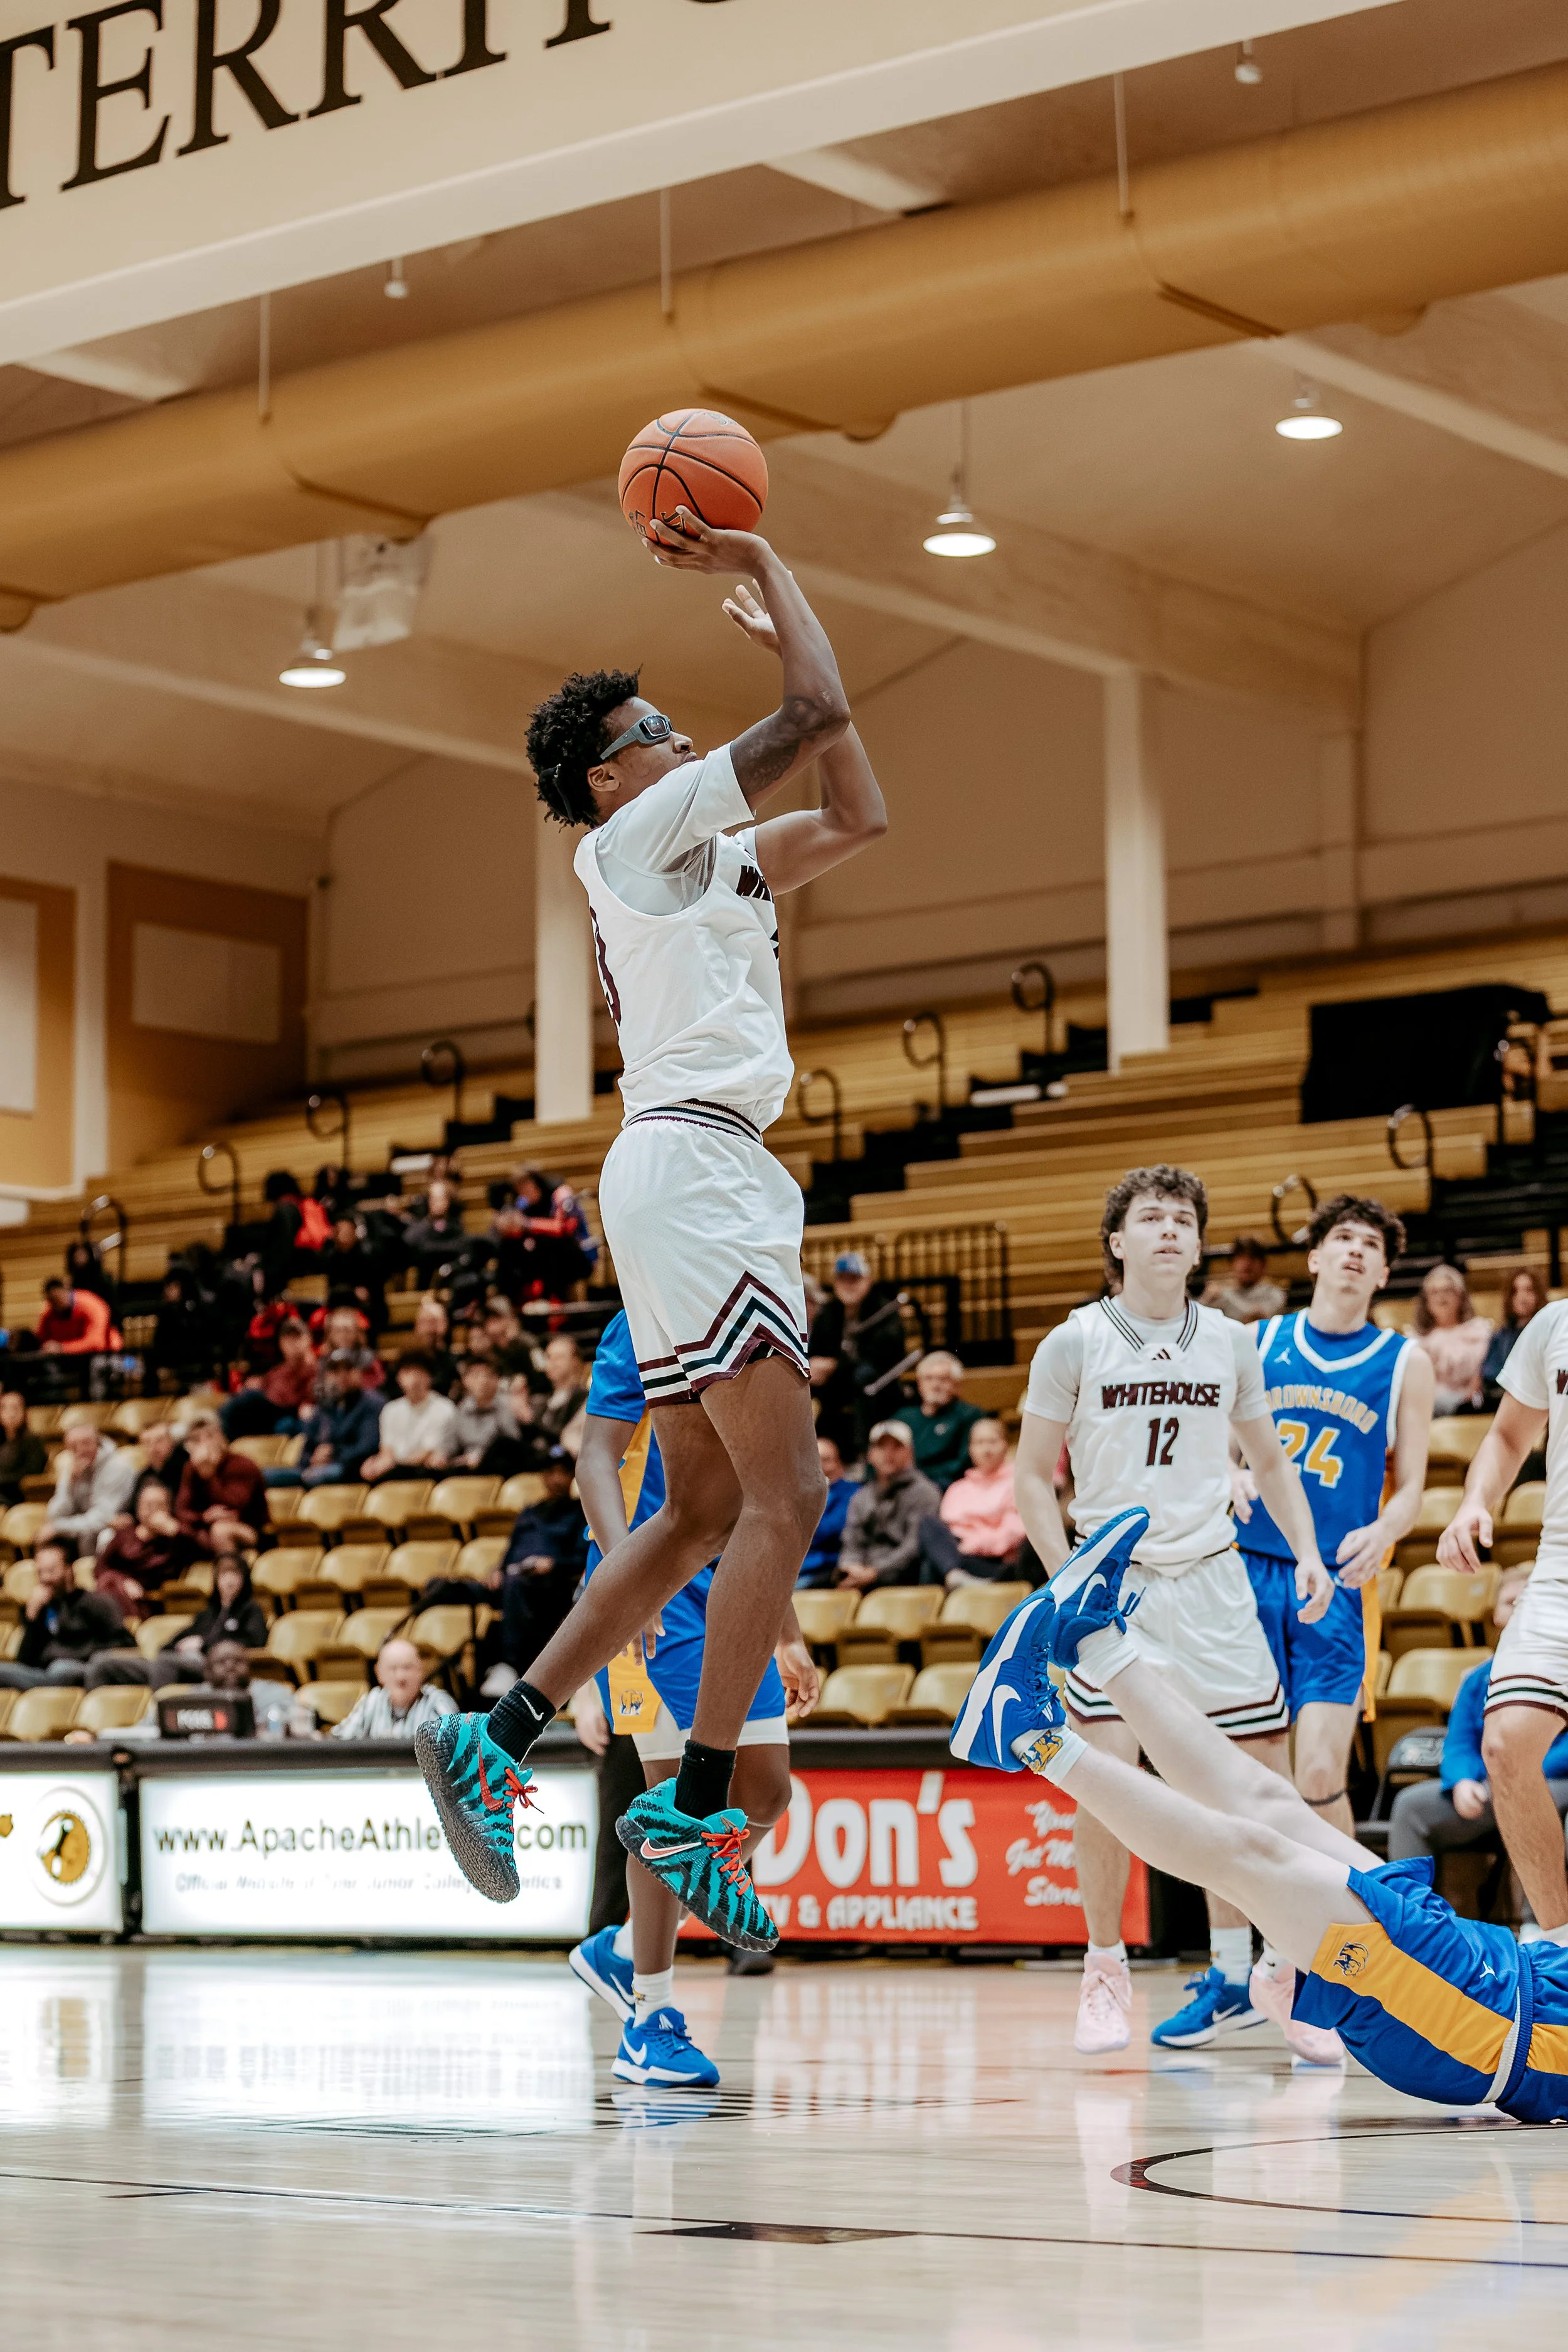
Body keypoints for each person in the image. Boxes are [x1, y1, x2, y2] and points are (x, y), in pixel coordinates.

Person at [416, 522, 885, 1951]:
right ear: (604, 778)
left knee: (694, 1510)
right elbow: (806, 720)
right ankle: (688, 1799)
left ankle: (495, 1741)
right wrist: (767, 557)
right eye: (654, 730)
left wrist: (804, 656)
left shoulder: (714, 863)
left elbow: (856, 804)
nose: (679, 737)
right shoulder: (631, 837)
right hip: (698, 1167)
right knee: (782, 1500)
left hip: (693, 1169)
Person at [953, 1510, 1568, 2127]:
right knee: (1268, 1803)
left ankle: (1030, 1739)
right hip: (1487, 1974)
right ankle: (1095, 1643)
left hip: (1482, 2021)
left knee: (1246, 1854)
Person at [1012, 1165, 1332, 2058]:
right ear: (1117, 1242)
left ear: (1198, 1244)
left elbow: (1269, 1462)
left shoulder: (1230, 1340)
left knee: (1256, 1781)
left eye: (1182, 1220)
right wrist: (1064, 1575)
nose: (1167, 1231)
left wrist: (1305, 1550)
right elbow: (1032, 1477)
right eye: (1150, 1218)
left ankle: (1269, 1968)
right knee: (1108, 1778)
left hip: (1216, 1581)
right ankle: (1105, 1965)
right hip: (1116, 1584)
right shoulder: (1074, 1342)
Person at [563, 1308, 818, 2084]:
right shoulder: (637, 1322)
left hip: (732, 1585)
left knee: (767, 1792)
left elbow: (761, 1501)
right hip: (655, 1586)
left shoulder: (750, 1327)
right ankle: (651, 2015)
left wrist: (788, 1629)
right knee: (672, 1797)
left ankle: (619, 1945)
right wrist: (624, 1580)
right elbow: (594, 1463)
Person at [1233, 1197, 1434, 1846]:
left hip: (1337, 1584)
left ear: (1382, 1274)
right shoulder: (1258, 1340)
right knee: (1245, 1778)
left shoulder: (1404, 1361)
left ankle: (1344, 1933)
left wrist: (1386, 1531)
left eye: (1370, 1246)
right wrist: (1228, 1472)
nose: (1355, 1250)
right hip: (1247, 1569)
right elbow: (1217, 1443)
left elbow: (1410, 1494)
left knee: (1319, 1771)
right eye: (1343, 1238)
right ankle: (1261, 1949)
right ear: (1315, 1258)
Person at [1438, 1288, 1568, 1947]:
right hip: (1561, 1564)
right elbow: (1509, 1435)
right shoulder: (1554, 1323)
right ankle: (1559, 1945)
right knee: (1504, 1744)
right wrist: (1473, 1503)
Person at [1387, 1573, 1568, 1877]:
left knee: (1535, 1797)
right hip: (1489, 1789)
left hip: (1554, 1785)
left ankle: (1536, 1924)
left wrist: (1522, 1776)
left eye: (1529, 1603)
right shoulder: (1477, 1678)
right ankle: (1409, 1916)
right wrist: (1462, 1781)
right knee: (1410, 1806)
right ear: (1496, 1614)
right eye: (1511, 1603)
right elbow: (1459, 1743)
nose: (1520, 1610)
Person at [85, 1557, 268, 1689]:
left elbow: (253, 1642)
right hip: (175, 1663)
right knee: (103, 1662)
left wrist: (204, 1644)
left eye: (234, 1575)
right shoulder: (207, 1613)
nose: (228, 1581)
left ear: (243, 1579)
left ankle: (154, 1720)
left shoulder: (251, 1611)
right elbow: (182, 1636)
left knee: (165, 1664)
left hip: (213, 1667)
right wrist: (168, 1648)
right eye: (223, 1575)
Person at [494, 1447, 590, 1671]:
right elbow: (509, 1552)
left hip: (549, 1585)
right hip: (513, 1576)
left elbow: (583, 1559)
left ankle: (509, 1666)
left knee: (515, 1587)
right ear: (543, 1476)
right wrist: (497, 1570)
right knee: (443, 1587)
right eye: (551, 1472)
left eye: (563, 1472)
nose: (557, 1479)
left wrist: (553, 1565)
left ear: (572, 1476)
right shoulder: (529, 1512)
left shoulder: (580, 1512)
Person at [807, 1253, 908, 1457]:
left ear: (868, 1281)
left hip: (878, 1385)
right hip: (835, 1384)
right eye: (842, 1279)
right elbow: (816, 1350)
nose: (848, 1285)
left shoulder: (884, 1309)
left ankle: (864, 1452)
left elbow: (880, 1356)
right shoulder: (829, 1312)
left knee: (863, 1376)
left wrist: (835, 1365)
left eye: (855, 1279)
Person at [0, 1541, 132, 1687]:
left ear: (69, 1570)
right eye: (40, 1573)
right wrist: (32, 1619)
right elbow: (25, 1661)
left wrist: (73, 1653)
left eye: (51, 1571)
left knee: (61, 1669)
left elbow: (125, 1643)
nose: (45, 1578)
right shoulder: (42, 1608)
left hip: (81, 1669)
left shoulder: (97, 1603)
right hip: (43, 1673)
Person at [918, 1417, 1029, 1586]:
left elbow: (1015, 1531)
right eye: (979, 1443)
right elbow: (948, 1532)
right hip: (958, 1556)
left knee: (932, 1567)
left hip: (995, 1560)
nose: (986, 1449)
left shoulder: (1019, 1483)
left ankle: (955, 1577)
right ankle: (955, 1576)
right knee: (928, 1524)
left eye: (992, 1442)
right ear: (970, 1449)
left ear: (1006, 1445)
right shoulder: (957, 1489)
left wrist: (974, 1544)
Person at [835, 1421, 941, 1591]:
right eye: (881, 1447)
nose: (888, 1454)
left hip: (905, 1577)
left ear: (910, 1453)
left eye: (897, 1447)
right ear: (870, 1454)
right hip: (863, 1575)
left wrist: (875, 1572)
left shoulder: (925, 1492)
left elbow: (914, 1546)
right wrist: (850, 1567)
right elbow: (852, 1542)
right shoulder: (861, 1497)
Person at [265, 1353, 381, 1488]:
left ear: (359, 1372)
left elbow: (367, 1447)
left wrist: (334, 1454)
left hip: (352, 1469)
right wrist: (312, 1459)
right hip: (315, 1468)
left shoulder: (372, 1403)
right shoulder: (325, 1406)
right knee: (263, 1476)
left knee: (316, 1475)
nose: (341, 1376)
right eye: (335, 1371)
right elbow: (307, 1446)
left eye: (348, 1369)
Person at [893, 1352, 985, 1492]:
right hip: (902, 1487)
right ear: (919, 1384)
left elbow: (964, 1464)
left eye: (943, 1379)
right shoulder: (903, 1417)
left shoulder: (970, 1416)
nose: (935, 1385)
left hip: (947, 1487)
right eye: (929, 1379)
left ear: (956, 1384)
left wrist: (916, 1477)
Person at [175, 1417, 267, 1558]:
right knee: (174, 1529)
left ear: (220, 1437)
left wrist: (209, 1474)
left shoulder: (242, 1464)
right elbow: (181, 1510)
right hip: (206, 1526)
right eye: (196, 1439)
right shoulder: (191, 1468)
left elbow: (235, 1505)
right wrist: (204, 1517)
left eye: (209, 1437)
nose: (203, 1444)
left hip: (250, 1528)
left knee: (221, 1530)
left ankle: (230, 1577)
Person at [359, 1352, 458, 1482]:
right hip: (395, 1470)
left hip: (425, 1472)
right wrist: (376, 1466)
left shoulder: (444, 1408)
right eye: (407, 1373)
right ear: (399, 1378)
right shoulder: (390, 1410)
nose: (414, 1380)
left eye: (419, 1373)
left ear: (430, 1377)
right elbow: (387, 1451)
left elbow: (426, 1453)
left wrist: (392, 1465)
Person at [95, 1478, 189, 1612]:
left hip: (148, 1601)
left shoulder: (176, 1540)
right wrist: (124, 1582)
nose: (152, 1511)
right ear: (138, 1508)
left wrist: (177, 1532)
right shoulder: (125, 1534)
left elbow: (204, 1550)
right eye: (148, 1505)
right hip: (116, 1591)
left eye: (159, 1505)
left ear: (169, 1509)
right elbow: (100, 1568)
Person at [333, 1639, 457, 1739]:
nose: (400, 1677)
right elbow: (341, 1739)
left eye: (407, 1668)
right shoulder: (373, 1699)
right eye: (393, 1669)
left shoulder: (437, 1702)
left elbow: (457, 1748)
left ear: (420, 1670)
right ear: (379, 1673)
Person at [43, 1426, 138, 1554]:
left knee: (104, 1536)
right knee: (45, 1542)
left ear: (97, 1443)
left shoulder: (117, 1468)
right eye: (73, 1446)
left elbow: (103, 1518)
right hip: (84, 1530)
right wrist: (70, 1484)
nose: (80, 1450)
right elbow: (54, 1515)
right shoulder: (72, 1468)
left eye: (86, 1443)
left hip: (117, 1530)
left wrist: (59, 1527)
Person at [1415, 1263, 1491, 1414]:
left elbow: (1483, 1373)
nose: (1441, 1297)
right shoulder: (1416, 1340)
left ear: (1460, 1296)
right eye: (1434, 1292)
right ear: (1426, 1301)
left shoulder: (1479, 1331)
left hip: (1470, 1404)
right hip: (1430, 1406)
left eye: (1447, 1290)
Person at [220, 1319, 317, 1438]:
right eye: (287, 1339)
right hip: (265, 1412)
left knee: (284, 1423)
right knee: (239, 1401)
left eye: (296, 1338)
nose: (292, 1343)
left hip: (290, 1411)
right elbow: (264, 1386)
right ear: (281, 1343)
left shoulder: (315, 1369)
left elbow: (311, 1399)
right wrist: (256, 1384)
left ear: (308, 1339)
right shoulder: (277, 1371)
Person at [798, 1434, 860, 1587]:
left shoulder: (852, 1493)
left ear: (839, 1464)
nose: (819, 1467)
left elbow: (832, 1529)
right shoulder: (801, 1495)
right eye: (814, 1460)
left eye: (826, 1460)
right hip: (797, 1567)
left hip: (826, 1567)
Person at [1482, 1268, 1549, 1406]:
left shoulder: (1549, 1332)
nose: (1522, 1297)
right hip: (1504, 1398)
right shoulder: (1501, 1336)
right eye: (1516, 1292)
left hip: (1539, 1398)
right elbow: (1489, 1372)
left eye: (1529, 1290)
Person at [450, 1356, 527, 1473]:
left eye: (488, 1375)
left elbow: (513, 1442)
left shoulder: (508, 1406)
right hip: (467, 1468)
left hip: (500, 1465)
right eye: (476, 1376)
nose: (483, 1381)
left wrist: (481, 1456)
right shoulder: (460, 1411)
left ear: (497, 1379)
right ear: (465, 1381)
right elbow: (451, 1448)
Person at [1202, 1235, 1286, 1325]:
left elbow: (1255, 1319)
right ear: (1233, 1263)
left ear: (1263, 1265)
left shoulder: (1275, 1294)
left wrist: (1224, 1297)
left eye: (1253, 1257)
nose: (1247, 1263)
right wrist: (1205, 1300)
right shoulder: (1219, 1294)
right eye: (1241, 1256)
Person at [36, 1277, 120, 1354]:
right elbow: (42, 1339)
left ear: (66, 1291)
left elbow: (95, 1343)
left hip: (104, 1354)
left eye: (58, 1299)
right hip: (68, 1357)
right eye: (52, 1301)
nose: (56, 1304)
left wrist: (62, 1348)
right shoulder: (50, 1311)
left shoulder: (91, 1305)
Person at [0, 1389, 46, 1508]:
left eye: (15, 1408)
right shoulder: (3, 1442)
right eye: (5, 1409)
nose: (11, 1414)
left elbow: (32, 1473)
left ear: (24, 1412)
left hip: (17, 1496)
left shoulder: (32, 1441)